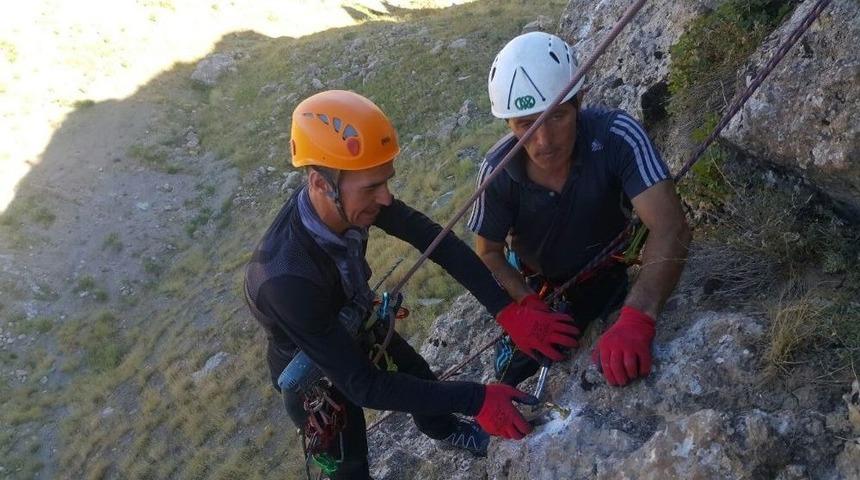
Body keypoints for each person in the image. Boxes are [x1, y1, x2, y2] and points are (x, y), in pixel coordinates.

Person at [243, 90, 578, 479]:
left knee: (418, 375)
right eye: (372, 187)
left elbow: (436, 241)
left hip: (353, 318)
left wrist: (506, 310)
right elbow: (364, 386)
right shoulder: (285, 279)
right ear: (320, 183)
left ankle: (445, 429)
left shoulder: (346, 199)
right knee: (350, 464)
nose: (386, 198)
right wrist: (478, 398)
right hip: (314, 370)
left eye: (386, 182)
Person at [469, 32, 691, 388]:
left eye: (557, 116)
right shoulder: (498, 173)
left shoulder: (617, 137)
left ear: (579, 101)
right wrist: (525, 304)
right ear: (508, 125)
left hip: (610, 270)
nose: (544, 142)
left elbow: (670, 227)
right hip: (541, 286)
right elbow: (488, 252)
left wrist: (639, 315)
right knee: (514, 376)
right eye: (526, 125)